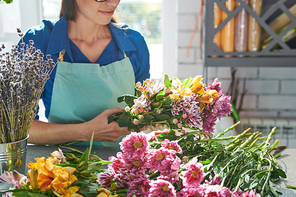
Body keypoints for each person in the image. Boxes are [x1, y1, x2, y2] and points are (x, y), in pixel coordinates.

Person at [21, 0, 150, 145]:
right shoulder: (37, 42)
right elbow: (21, 129)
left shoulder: (134, 43)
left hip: (124, 164)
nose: (113, 2)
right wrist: (86, 132)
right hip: (62, 165)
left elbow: (144, 113)